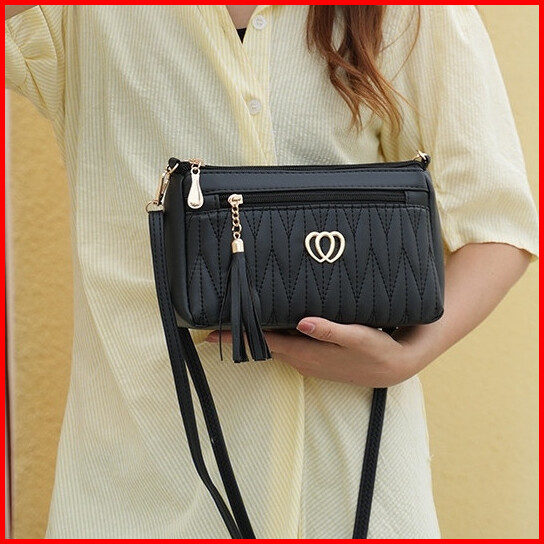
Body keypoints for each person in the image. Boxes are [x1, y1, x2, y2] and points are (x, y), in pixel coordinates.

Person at [5, 5, 538, 539]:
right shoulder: (80, 17)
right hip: (140, 493)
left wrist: (406, 358)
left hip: (353, 483)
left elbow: (497, 223)